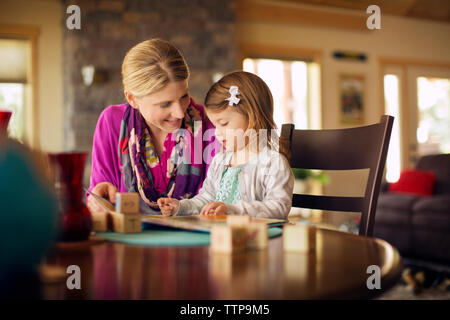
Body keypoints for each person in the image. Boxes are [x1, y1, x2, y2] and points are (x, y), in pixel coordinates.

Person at [87, 39, 219, 215]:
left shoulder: (210, 123)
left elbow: (223, 194)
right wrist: (99, 198)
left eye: (184, 96)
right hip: (129, 238)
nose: (180, 113)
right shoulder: (112, 122)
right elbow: (100, 193)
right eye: (165, 104)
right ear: (132, 99)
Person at [157, 71, 294, 219]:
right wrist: (181, 206)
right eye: (215, 126)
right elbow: (206, 199)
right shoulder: (220, 161)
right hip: (220, 236)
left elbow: (279, 207)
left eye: (224, 124)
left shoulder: (272, 163)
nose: (217, 133)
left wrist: (233, 210)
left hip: (255, 238)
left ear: (252, 117)